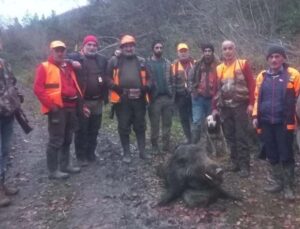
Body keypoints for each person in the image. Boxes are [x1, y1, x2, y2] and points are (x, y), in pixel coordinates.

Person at [252, 45, 300, 200]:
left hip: (285, 122)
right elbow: (256, 98)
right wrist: (255, 116)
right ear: (267, 59)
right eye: (271, 57)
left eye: (277, 56)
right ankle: (278, 182)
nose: (274, 59)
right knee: (271, 153)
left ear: (283, 58)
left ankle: (288, 187)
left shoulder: (293, 75)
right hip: (266, 121)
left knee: (286, 154)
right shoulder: (262, 76)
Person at [34, 40, 84, 179]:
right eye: (57, 50)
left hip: (71, 108)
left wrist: (72, 62)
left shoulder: (67, 65)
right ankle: (53, 170)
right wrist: (52, 106)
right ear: (52, 51)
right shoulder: (44, 67)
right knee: (56, 140)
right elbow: (38, 89)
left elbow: (81, 59)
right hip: (57, 109)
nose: (60, 52)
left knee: (68, 138)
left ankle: (65, 165)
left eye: (62, 50)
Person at [212, 40, 255, 178]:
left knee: (241, 136)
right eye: (225, 49)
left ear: (234, 49)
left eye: (230, 48)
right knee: (230, 136)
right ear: (222, 51)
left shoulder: (243, 64)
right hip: (225, 107)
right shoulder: (219, 68)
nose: (227, 51)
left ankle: (244, 166)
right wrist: (214, 108)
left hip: (241, 106)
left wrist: (251, 103)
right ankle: (235, 162)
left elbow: (252, 84)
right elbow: (215, 90)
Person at [107, 35, 151, 163]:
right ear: (121, 48)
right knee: (123, 126)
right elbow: (106, 78)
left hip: (139, 99)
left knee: (140, 125)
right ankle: (127, 153)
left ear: (134, 47)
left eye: (131, 46)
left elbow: (150, 79)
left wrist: (144, 89)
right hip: (122, 100)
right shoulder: (114, 61)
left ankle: (142, 152)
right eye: (126, 46)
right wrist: (117, 89)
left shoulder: (142, 61)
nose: (129, 48)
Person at [68, 35, 108, 166]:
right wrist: (71, 62)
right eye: (89, 45)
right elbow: (61, 59)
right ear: (83, 47)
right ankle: (81, 156)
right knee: (81, 130)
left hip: (98, 101)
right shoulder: (76, 57)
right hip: (82, 101)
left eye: (94, 45)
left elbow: (112, 65)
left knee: (94, 129)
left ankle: (91, 153)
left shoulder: (101, 60)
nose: (92, 47)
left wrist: (117, 54)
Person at [0, 39, 20, 207]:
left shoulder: (4, 64)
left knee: (5, 151)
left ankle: (2, 183)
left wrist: (16, 98)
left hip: (7, 114)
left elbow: (12, 83)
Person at [188, 43, 218, 144]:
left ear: (213, 52)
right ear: (203, 52)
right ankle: (194, 145)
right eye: (205, 51)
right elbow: (190, 79)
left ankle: (211, 146)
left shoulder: (218, 65)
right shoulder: (197, 64)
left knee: (212, 123)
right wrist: (193, 91)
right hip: (198, 98)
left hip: (212, 99)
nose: (207, 53)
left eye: (209, 51)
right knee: (197, 122)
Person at [146, 40, 173, 154]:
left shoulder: (167, 63)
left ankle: (166, 145)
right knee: (155, 124)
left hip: (167, 97)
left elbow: (172, 79)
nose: (159, 50)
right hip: (154, 98)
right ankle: (155, 145)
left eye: (161, 48)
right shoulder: (146, 63)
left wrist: (173, 93)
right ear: (153, 49)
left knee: (167, 123)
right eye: (157, 48)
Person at [171, 43, 194, 143]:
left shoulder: (195, 63)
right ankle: (188, 138)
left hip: (193, 96)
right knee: (184, 119)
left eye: (185, 51)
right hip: (180, 97)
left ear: (188, 52)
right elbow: (171, 81)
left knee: (195, 119)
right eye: (181, 51)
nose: (183, 53)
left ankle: (195, 138)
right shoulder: (173, 66)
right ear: (178, 53)